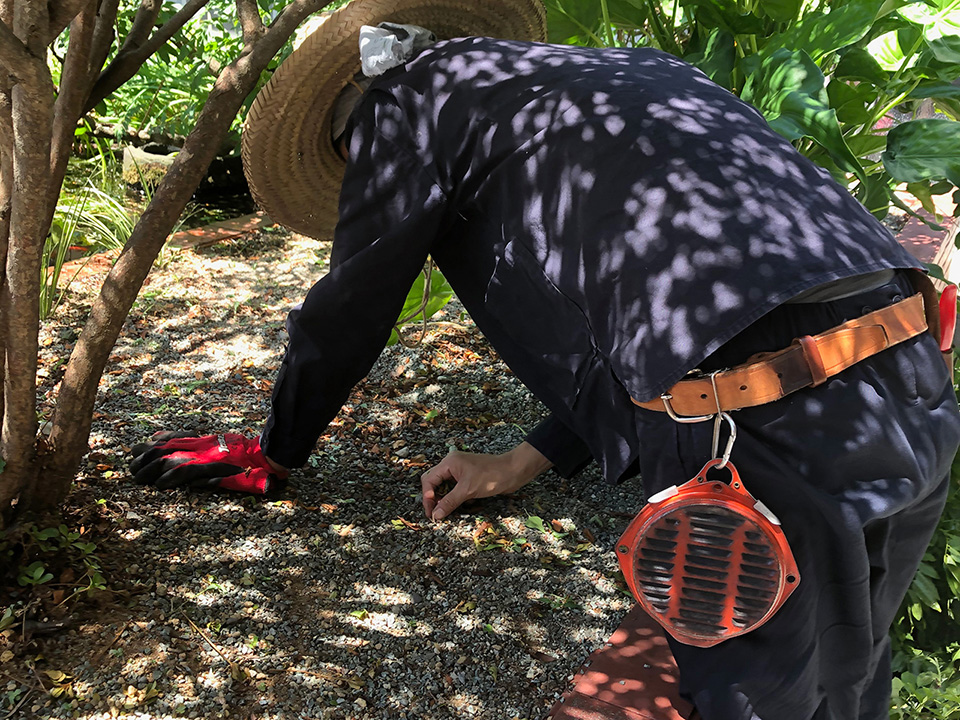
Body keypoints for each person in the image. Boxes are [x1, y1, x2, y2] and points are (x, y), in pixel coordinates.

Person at [129, 0, 960, 718]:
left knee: (755, 694)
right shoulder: (611, 81)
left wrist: (275, 450)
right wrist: (523, 460)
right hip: (909, 362)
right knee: (853, 666)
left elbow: (352, 301)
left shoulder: (399, 108)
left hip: (761, 421)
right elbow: (657, 309)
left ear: (352, 130)